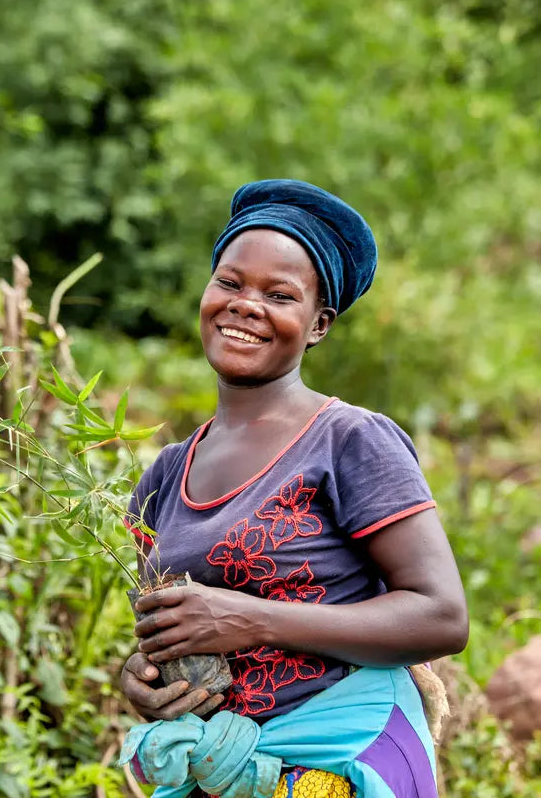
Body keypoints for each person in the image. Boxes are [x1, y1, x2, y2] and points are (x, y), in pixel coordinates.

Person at [118, 180, 468, 798]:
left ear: (318, 325)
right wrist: (143, 675)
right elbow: (173, 631)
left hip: (338, 764)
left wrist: (247, 619)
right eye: (230, 282)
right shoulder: (165, 475)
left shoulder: (350, 441)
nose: (246, 305)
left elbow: (441, 616)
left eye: (279, 295)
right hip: (224, 771)